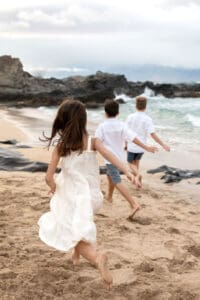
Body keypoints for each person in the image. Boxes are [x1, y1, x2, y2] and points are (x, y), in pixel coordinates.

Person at [38, 99, 137, 288]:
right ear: (83, 121)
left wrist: (53, 188)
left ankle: (96, 258)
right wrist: (126, 170)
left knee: (66, 228)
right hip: (93, 197)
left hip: (72, 197)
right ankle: (76, 254)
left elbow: (48, 176)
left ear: (62, 120)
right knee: (77, 224)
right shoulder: (93, 142)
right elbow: (109, 155)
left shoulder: (61, 146)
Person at [95, 99, 158, 216]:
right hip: (118, 158)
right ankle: (109, 196)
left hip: (109, 158)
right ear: (118, 113)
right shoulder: (122, 125)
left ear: (105, 113)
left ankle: (133, 204)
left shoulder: (102, 126)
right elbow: (133, 138)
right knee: (110, 174)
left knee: (116, 179)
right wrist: (146, 147)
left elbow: (96, 143)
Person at [125, 96, 170, 176]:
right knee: (136, 163)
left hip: (131, 146)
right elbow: (152, 134)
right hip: (142, 147)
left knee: (130, 163)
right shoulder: (147, 119)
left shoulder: (130, 117)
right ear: (145, 107)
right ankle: (137, 181)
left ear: (136, 106)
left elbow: (126, 132)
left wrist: (125, 144)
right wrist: (163, 145)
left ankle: (138, 175)